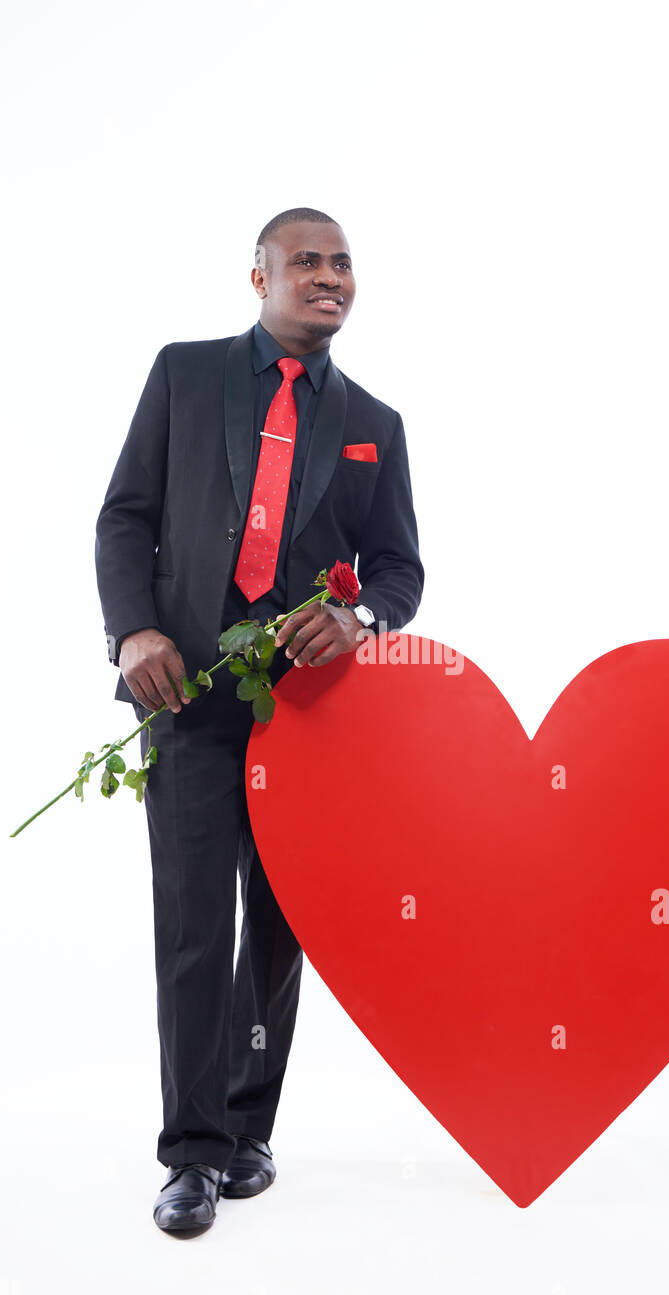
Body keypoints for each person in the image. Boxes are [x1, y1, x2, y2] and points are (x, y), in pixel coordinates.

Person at [94, 207, 424, 1236]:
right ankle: (189, 1153)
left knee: (280, 931)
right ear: (261, 278)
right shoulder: (183, 377)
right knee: (197, 927)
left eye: (343, 264)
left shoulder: (375, 422)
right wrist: (134, 630)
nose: (330, 277)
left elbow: (400, 571)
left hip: (309, 722)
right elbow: (125, 517)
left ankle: (247, 1130)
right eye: (308, 262)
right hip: (186, 697)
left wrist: (360, 614)